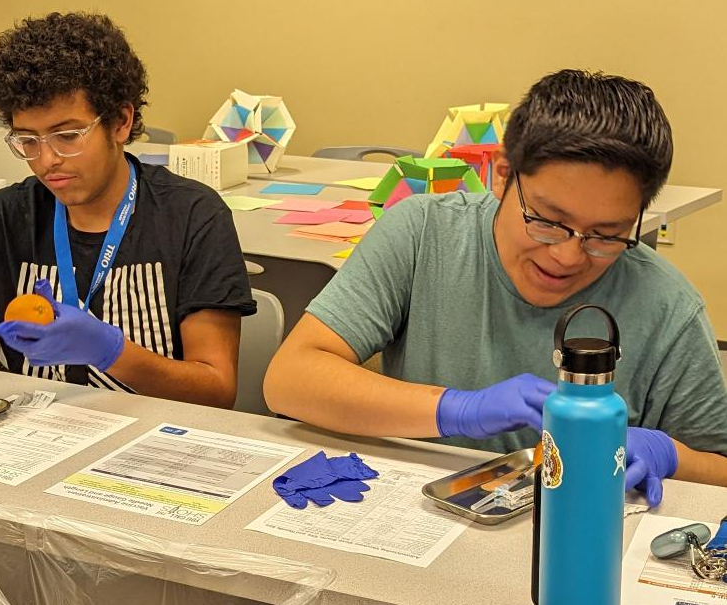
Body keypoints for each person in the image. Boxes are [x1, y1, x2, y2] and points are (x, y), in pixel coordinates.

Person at [264, 69, 727, 505]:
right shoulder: (424, 234)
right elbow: (289, 381)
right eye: (547, 220)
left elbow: (720, 468)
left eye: (607, 235)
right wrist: (457, 409)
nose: (567, 255)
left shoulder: (667, 306)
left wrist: (668, 454)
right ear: (503, 174)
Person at [0, 12, 255, 408]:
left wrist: (111, 352)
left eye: (67, 136)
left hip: (157, 439)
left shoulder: (191, 217)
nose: (47, 160)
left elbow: (215, 390)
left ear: (120, 121)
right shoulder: (2, 220)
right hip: (29, 436)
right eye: (28, 140)